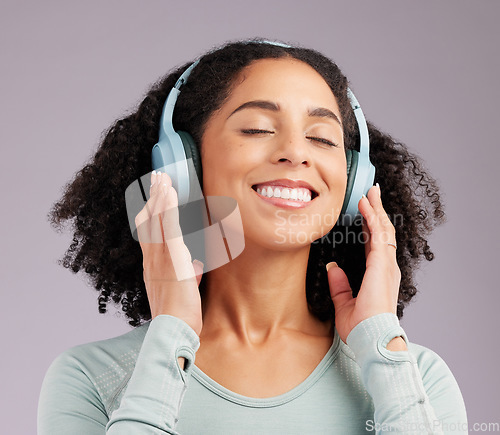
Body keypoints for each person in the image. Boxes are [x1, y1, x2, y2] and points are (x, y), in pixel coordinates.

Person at [38, 39, 467, 434]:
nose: (296, 152)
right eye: (258, 129)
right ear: (183, 165)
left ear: (353, 180)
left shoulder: (415, 378)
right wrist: (170, 337)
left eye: (321, 138)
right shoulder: (93, 377)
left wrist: (382, 346)